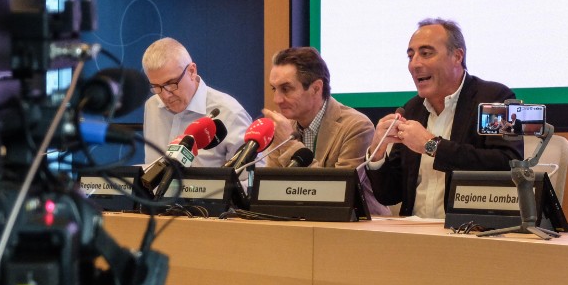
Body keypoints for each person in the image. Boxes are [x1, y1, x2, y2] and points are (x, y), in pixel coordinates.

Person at [365, 18, 523, 219]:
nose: (415, 64)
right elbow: (390, 194)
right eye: (410, 56)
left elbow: (508, 164)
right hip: (414, 234)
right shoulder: (411, 109)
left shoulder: (497, 98)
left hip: (472, 231)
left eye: (426, 53)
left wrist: (431, 146)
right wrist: (377, 153)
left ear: (457, 56)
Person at [261, 47, 390, 215]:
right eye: (274, 89)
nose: (276, 99)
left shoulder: (357, 126)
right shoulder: (285, 127)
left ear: (316, 88)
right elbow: (272, 193)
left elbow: (338, 195)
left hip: (358, 231)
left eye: (286, 89)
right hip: (301, 226)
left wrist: (290, 145)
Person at [142, 37, 252, 167]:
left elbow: (250, 179)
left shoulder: (230, 113)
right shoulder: (152, 106)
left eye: (171, 84)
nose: (165, 95)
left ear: (192, 71)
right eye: (156, 86)